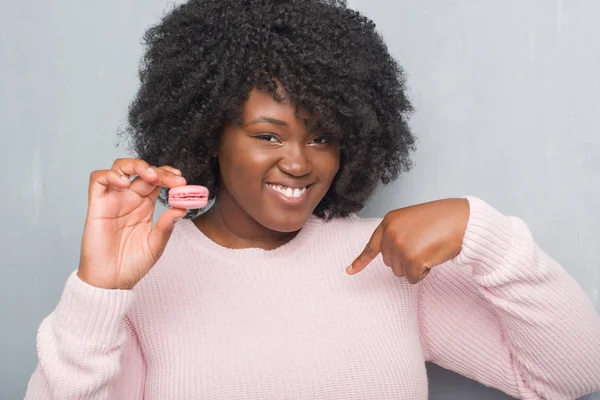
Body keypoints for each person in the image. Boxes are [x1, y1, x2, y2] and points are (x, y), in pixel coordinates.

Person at [25, 0, 600, 399]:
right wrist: (97, 291)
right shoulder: (141, 281)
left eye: (321, 136)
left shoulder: (383, 260)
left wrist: (486, 234)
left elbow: (570, 375)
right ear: (208, 135)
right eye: (267, 135)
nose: (299, 162)